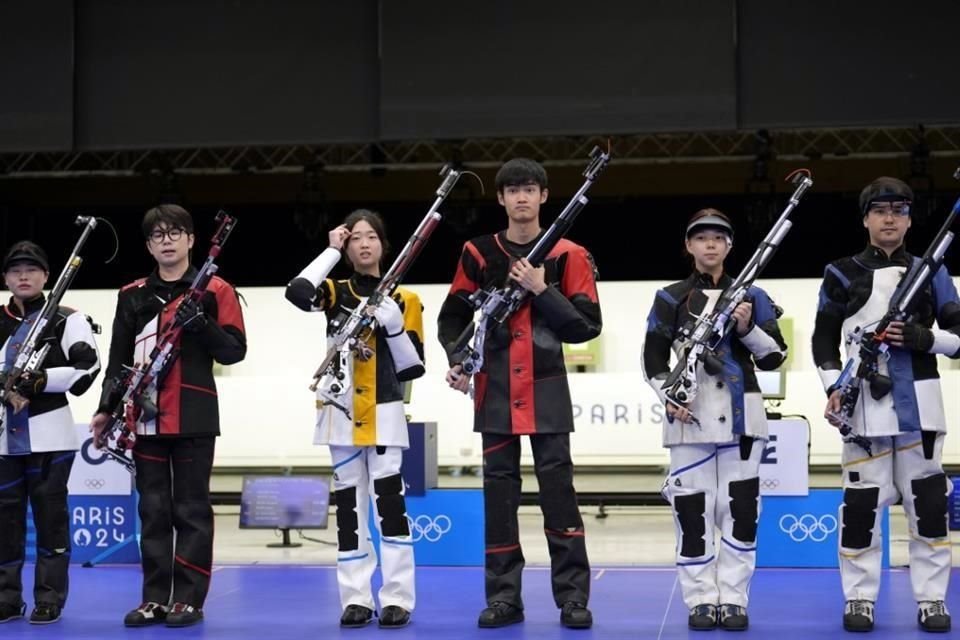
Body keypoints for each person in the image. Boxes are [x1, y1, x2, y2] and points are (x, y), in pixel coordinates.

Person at [438, 158, 601, 630]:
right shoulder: (477, 251)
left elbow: (586, 327)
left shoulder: (569, 253)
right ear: (502, 199)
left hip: (548, 394)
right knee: (499, 499)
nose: (522, 197)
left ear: (545, 196)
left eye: (530, 189)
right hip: (493, 392)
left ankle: (573, 598)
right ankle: (504, 598)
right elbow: (453, 318)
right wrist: (459, 360)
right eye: (513, 190)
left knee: (560, 497)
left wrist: (541, 289)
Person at [89, 205, 247, 628]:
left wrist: (201, 325)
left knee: (192, 510)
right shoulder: (132, 294)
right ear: (148, 245)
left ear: (192, 239)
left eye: (175, 232)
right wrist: (106, 409)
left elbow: (234, 351)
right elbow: (117, 359)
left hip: (194, 415)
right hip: (143, 419)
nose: (167, 240)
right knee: (153, 512)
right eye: (157, 235)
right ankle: (155, 598)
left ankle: (189, 600)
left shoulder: (216, 290)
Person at [812, 177, 958, 633]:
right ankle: (859, 598)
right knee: (859, 510)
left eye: (899, 209)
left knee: (929, 507)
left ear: (910, 218)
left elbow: (959, 340)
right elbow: (822, 341)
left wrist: (924, 338)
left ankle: (932, 598)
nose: (890, 218)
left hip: (922, 408)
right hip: (862, 410)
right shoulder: (840, 272)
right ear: (866, 218)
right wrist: (832, 387)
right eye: (880, 210)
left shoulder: (932, 271)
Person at [642, 209, 787, 631]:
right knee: (692, 513)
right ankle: (701, 599)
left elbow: (775, 356)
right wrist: (667, 396)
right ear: (689, 246)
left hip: (744, 420)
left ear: (729, 246)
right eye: (701, 238)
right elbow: (652, 358)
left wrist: (746, 330)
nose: (710, 245)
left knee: (740, 511)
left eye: (718, 238)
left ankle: (735, 598)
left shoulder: (753, 297)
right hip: (688, 417)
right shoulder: (670, 297)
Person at [285, 209, 425, 629]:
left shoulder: (406, 299)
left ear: (384, 244)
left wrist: (396, 329)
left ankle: (398, 596)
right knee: (349, 509)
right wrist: (329, 250)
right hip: (340, 413)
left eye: (371, 237)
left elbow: (413, 369)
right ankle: (356, 598)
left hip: (384, 413)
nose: (364, 244)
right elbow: (296, 292)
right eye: (355, 238)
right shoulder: (333, 291)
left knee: (390, 508)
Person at [0, 241, 101, 625]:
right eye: (15, 270)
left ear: (45, 275)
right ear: (6, 278)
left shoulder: (66, 318)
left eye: (31, 269)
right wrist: (6, 385)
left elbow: (87, 366)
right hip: (4, 441)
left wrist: (40, 380)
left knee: (51, 522)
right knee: (4, 525)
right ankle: (7, 597)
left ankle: (49, 598)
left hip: (51, 439)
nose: (23, 276)